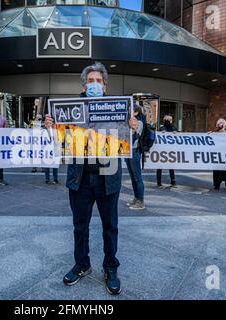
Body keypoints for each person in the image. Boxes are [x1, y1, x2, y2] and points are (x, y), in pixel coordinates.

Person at [45, 62, 139, 295]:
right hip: (80, 178)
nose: (94, 84)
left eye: (99, 81)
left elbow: (138, 140)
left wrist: (135, 127)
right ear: (84, 85)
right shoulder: (68, 110)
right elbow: (58, 142)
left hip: (108, 178)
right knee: (80, 226)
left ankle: (110, 267)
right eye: (90, 81)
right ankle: (82, 264)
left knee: (110, 226)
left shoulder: (120, 110)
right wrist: (49, 127)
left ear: (105, 87)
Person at [125, 104, 146, 210]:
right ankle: (136, 198)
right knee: (133, 177)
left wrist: (132, 127)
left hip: (134, 151)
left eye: (131, 110)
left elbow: (134, 135)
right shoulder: (129, 120)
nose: (128, 111)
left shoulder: (140, 122)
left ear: (136, 112)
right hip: (127, 150)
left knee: (137, 178)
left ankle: (141, 201)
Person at [156, 115, 178, 187]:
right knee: (160, 166)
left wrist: (175, 133)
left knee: (170, 166)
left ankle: (172, 181)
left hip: (169, 149)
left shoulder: (173, 128)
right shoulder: (162, 128)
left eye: (169, 120)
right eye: (167, 120)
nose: (168, 121)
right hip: (162, 149)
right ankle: (160, 181)